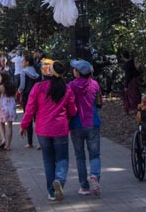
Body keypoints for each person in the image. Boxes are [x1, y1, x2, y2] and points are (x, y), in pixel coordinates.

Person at [21, 60, 77, 202]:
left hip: (43, 129)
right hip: (60, 128)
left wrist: (24, 125)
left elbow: (30, 108)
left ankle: (51, 192)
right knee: (62, 159)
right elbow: (72, 110)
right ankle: (59, 180)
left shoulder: (38, 87)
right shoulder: (67, 89)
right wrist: (69, 116)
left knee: (48, 160)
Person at [68, 59, 102, 197]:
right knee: (94, 154)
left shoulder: (70, 86)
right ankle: (94, 175)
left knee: (80, 156)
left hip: (76, 124)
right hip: (92, 123)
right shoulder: (95, 85)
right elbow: (99, 103)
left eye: (74, 68)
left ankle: (84, 186)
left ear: (77, 72)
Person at [18, 53, 42, 149]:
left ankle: (30, 142)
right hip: (37, 96)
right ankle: (40, 142)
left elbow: (22, 86)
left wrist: (18, 92)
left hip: (27, 96)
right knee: (37, 119)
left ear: (27, 62)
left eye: (23, 61)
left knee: (28, 118)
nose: (22, 63)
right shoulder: (37, 73)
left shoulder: (24, 72)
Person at [0, 70, 17, 150]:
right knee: (9, 126)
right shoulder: (12, 86)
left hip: (3, 105)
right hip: (11, 105)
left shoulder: (0, 87)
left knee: (1, 122)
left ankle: (3, 139)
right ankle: (8, 145)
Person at [122, 50, 142, 116]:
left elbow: (127, 76)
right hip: (137, 80)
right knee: (137, 94)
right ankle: (138, 108)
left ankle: (135, 109)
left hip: (132, 81)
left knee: (132, 95)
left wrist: (126, 85)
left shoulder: (127, 64)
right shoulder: (133, 62)